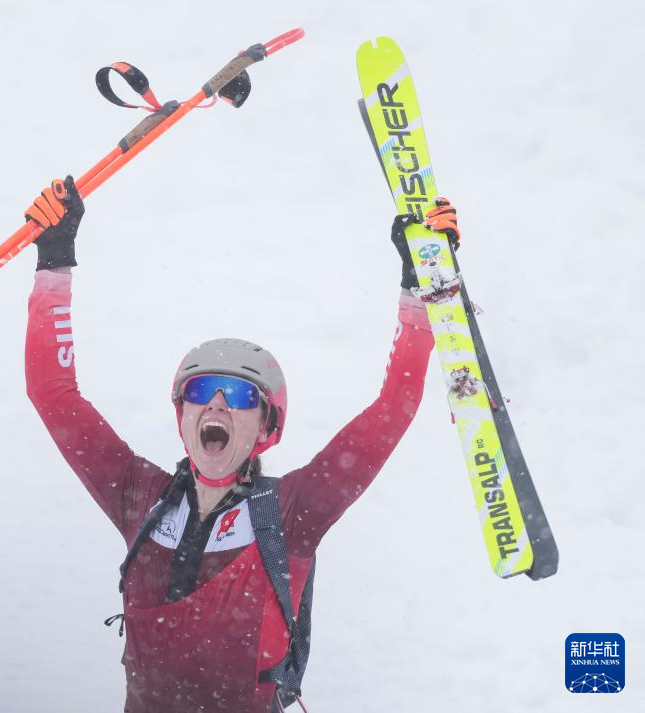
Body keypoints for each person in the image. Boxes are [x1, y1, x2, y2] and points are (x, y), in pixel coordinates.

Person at [24, 175, 460, 713]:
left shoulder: (291, 513)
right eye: (201, 391)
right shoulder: (138, 496)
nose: (216, 406)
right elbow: (53, 393)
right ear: (182, 414)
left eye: (238, 395)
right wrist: (54, 260)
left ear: (265, 427)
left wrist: (420, 288)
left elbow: (392, 409)